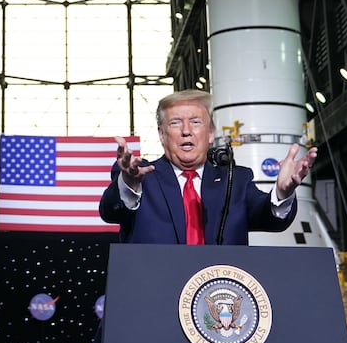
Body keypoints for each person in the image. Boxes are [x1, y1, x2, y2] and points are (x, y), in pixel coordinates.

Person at [98, 89, 317, 245]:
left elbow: (270, 219)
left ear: (210, 133)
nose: (186, 131)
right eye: (175, 123)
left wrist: (283, 193)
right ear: (161, 134)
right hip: (155, 297)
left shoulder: (236, 180)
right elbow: (109, 212)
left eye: (195, 122)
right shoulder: (140, 177)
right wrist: (129, 184)